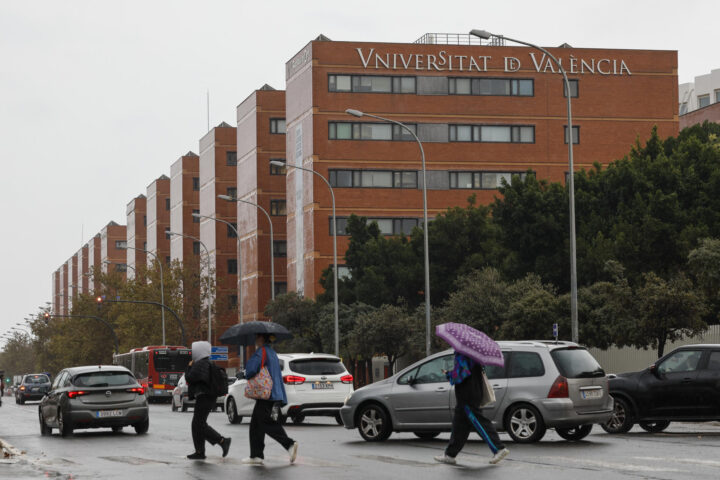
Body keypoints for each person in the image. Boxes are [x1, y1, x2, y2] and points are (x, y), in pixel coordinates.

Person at [434, 352, 510, 466]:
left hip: (467, 395)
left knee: (478, 421)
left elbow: (460, 375)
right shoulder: (476, 356)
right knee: (459, 425)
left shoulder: (462, 355)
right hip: (474, 392)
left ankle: (498, 448)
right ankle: (450, 455)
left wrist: (448, 374)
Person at [242, 334, 298, 466]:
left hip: (266, 393)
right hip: (273, 392)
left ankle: (289, 444)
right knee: (256, 425)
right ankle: (256, 455)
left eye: (257, 338)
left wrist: (244, 373)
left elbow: (251, 370)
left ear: (261, 339)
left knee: (264, 422)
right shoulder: (272, 352)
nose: (255, 340)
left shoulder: (261, 352)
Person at [184, 340, 231, 460]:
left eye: (194, 350)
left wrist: (189, 367)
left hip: (205, 397)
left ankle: (221, 441)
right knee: (198, 424)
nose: (192, 353)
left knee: (198, 424)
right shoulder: (208, 363)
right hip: (208, 397)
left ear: (199, 351)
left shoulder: (200, 364)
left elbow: (190, 378)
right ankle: (200, 451)